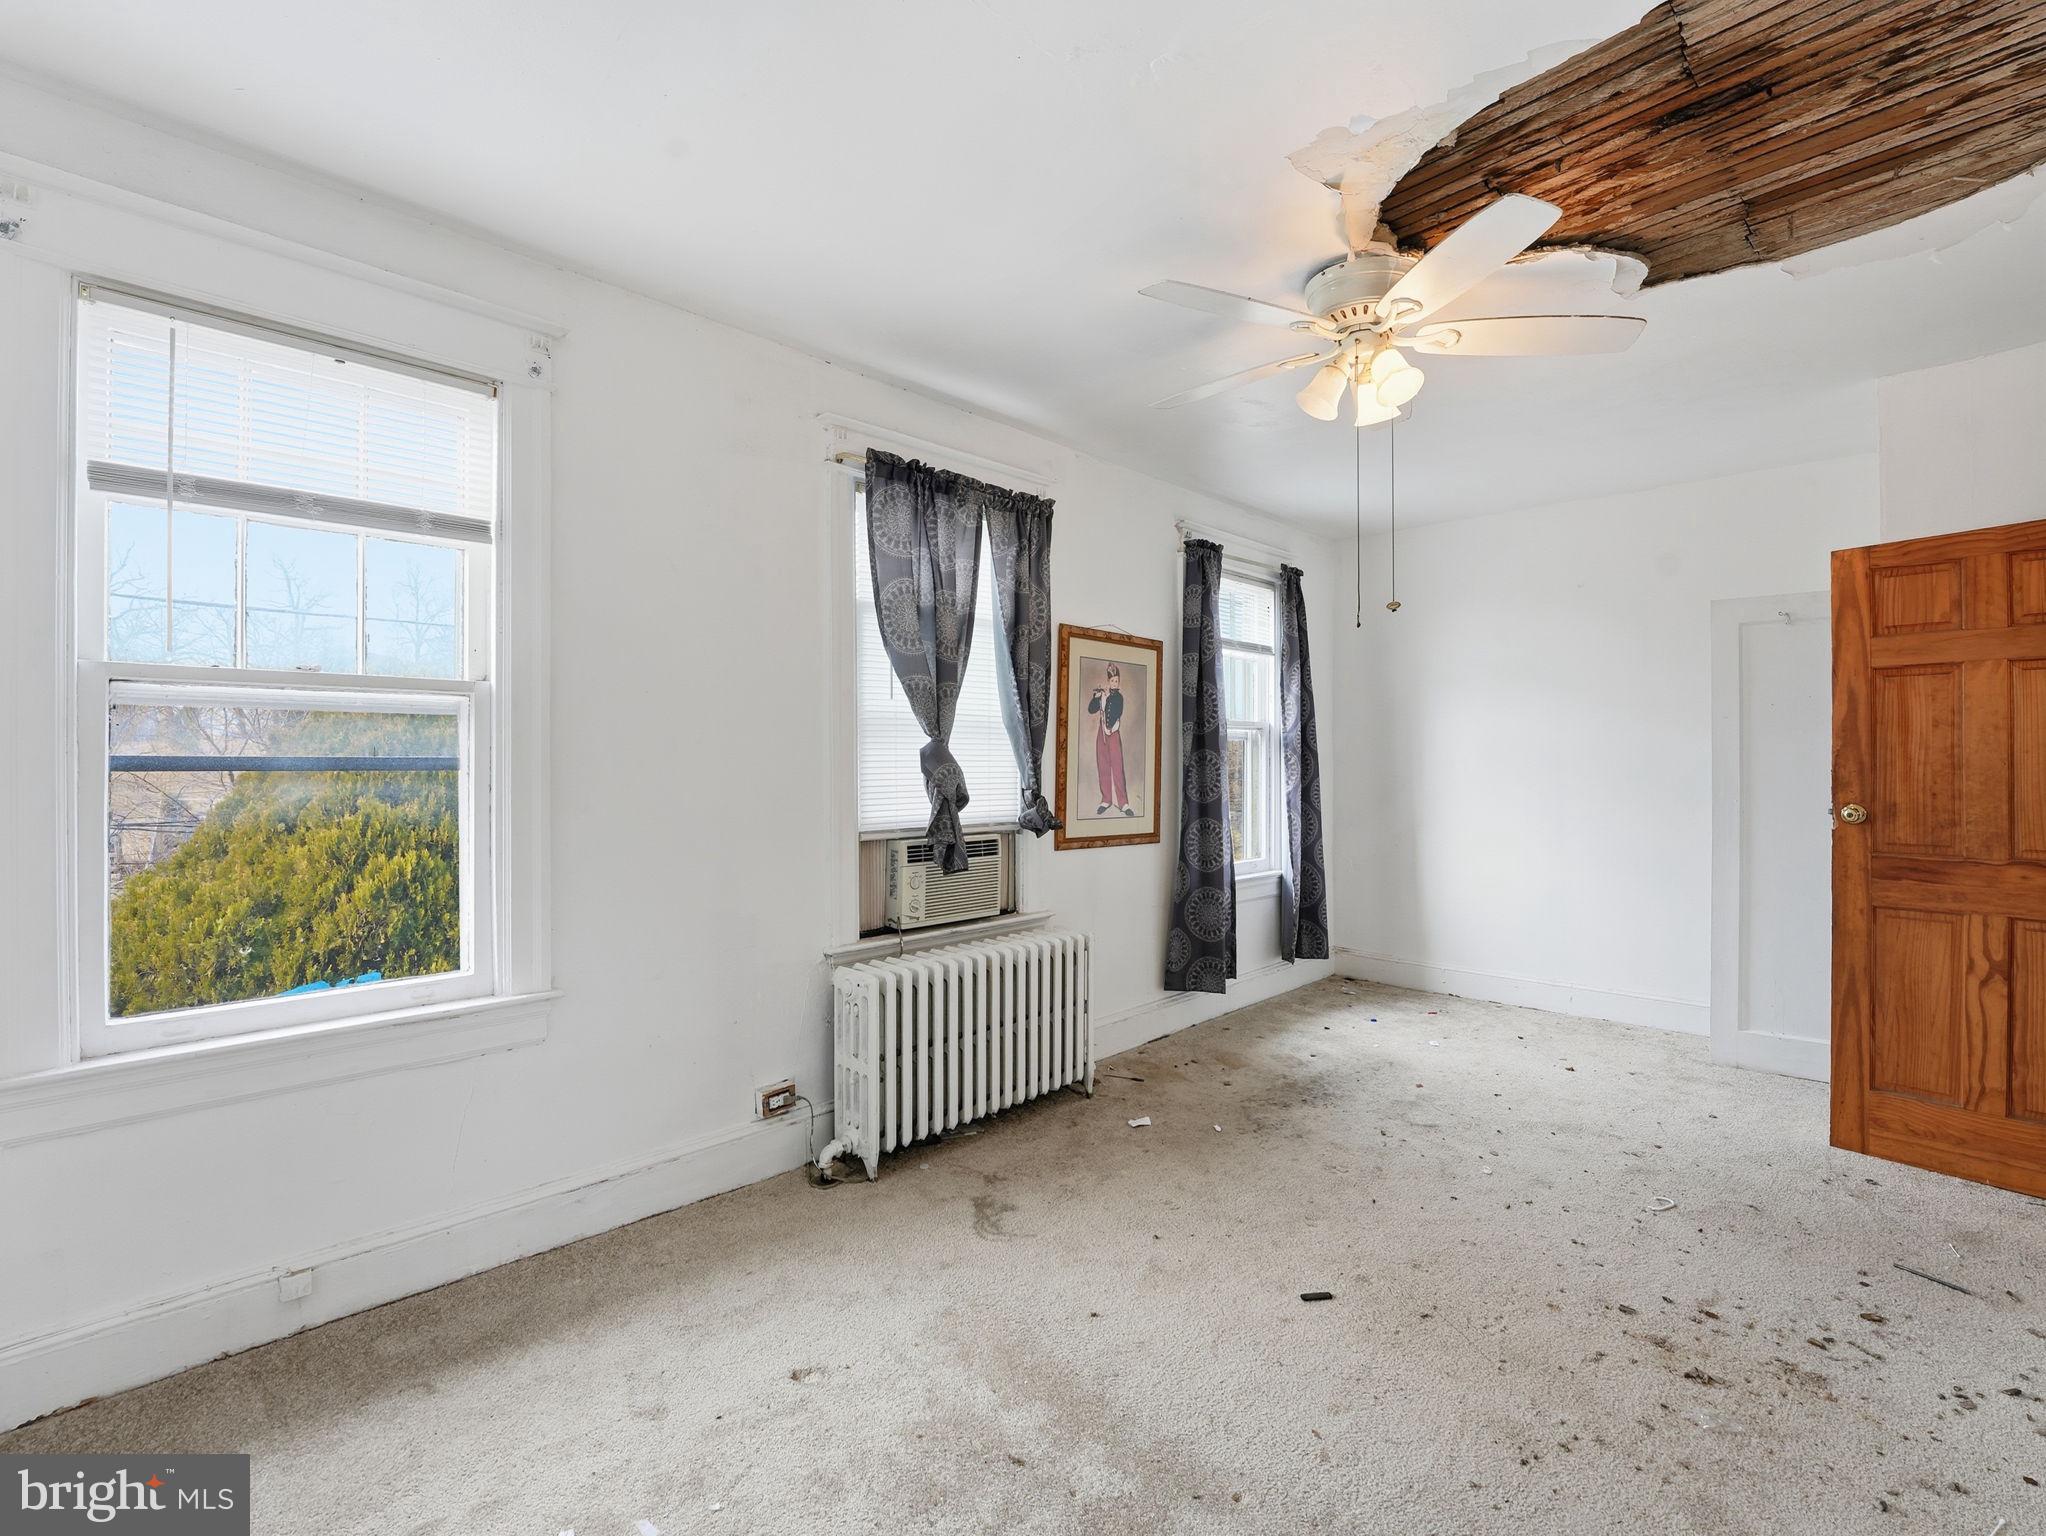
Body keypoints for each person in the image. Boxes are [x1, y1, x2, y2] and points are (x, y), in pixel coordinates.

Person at [1086, 664, 1134, 816]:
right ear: (1108, 681)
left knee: (1117, 767)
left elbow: (1117, 713)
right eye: (1112, 680)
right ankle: (1106, 799)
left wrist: (1110, 728)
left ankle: (1123, 803)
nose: (1114, 683)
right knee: (1103, 765)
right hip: (1102, 734)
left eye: (1116, 681)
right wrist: (1096, 698)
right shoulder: (1103, 695)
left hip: (1113, 732)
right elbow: (1091, 709)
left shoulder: (1119, 697)